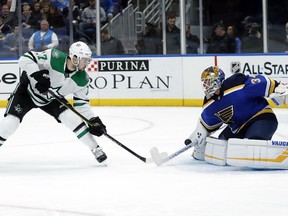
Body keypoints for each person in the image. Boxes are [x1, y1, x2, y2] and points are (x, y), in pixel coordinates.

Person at [0, 41, 107, 163]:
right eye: (85, 60)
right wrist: (38, 74)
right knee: (10, 123)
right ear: (75, 58)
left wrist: (93, 120)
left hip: (52, 98)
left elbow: (82, 105)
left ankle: (95, 148)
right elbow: (24, 59)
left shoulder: (83, 79)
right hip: (27, 92)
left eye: (89, 60)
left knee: (72, 119)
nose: (88, 63)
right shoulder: (54, 56)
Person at [184, 66, 281, 161]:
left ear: (217, 81)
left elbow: (263, 82)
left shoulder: (236, 84)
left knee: (253, 143)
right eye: (204, 83)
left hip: (261, 118)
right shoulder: (209, 104)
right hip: (238, 128)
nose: (206, 86)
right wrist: (198, 141)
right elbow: (206, 125)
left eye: (208, 82)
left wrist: (277, 87)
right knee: (221, 145)